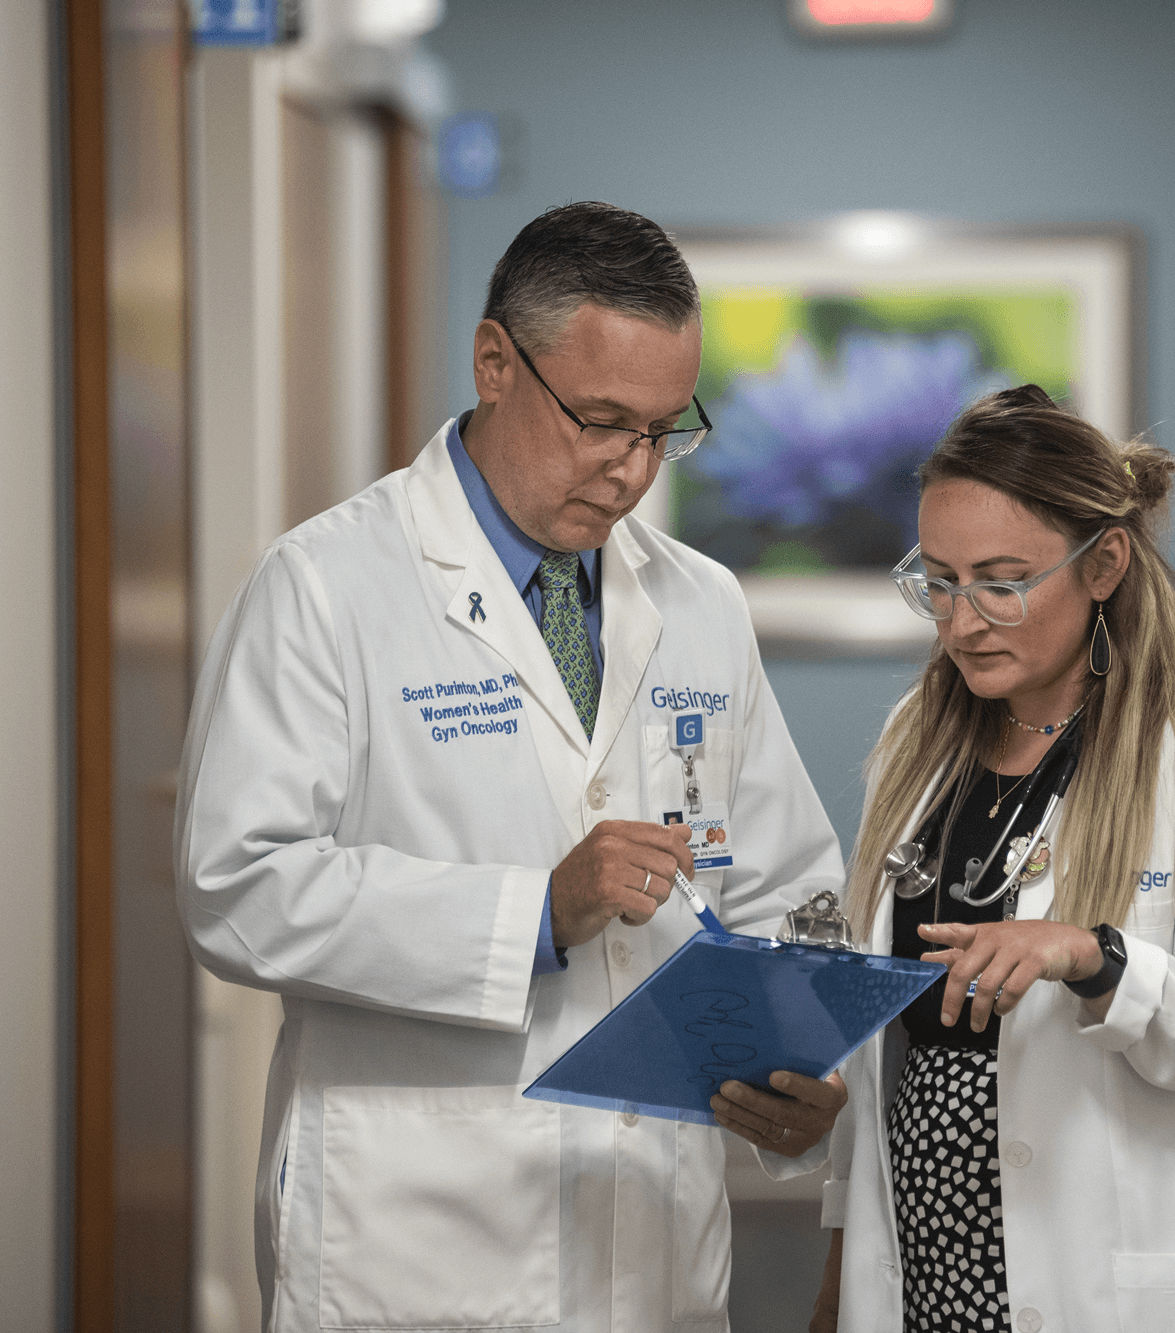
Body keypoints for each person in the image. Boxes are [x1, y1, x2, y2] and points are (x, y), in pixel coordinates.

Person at [176, 202, 847, 1333]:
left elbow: (788, 885)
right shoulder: (326, 584)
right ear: (495, 362)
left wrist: (800, 1069)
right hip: (421, 1229)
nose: (631, 469)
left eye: (662, 430)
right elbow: (236, 889)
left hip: (653, 1227)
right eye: (598, 421)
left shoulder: (698, 603)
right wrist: (534, 911)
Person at [809, 386, 1175, 1332]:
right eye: (941, 581)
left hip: (1099, 1275)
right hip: (921, 1270)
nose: (962, 622)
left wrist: (1096, 957)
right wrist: (841, 1275)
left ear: (1105, 563)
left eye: (1003, 580)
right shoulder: (917, 744)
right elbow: (884, 1041)